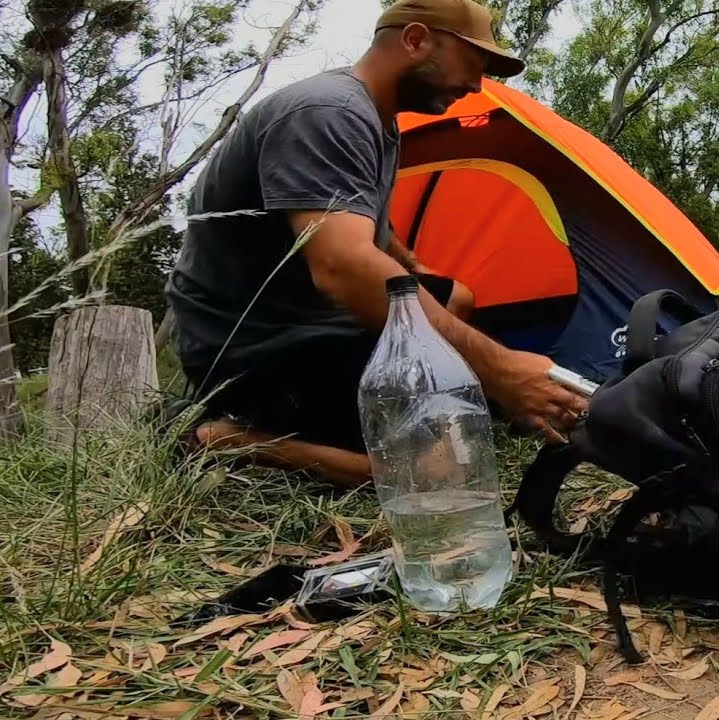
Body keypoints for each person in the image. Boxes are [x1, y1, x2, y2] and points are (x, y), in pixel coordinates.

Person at [163, 0, 587, 487]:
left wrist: (413, 264)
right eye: (473, 64)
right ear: (415, 40)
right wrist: (500, 369)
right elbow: (342, 264)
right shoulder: (329, 112)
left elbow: (360, 223)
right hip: (260, 343)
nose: (476, 86)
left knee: (458, 297)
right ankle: (226, 437)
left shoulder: (376, 119)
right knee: (442, 470)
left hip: (310, 314)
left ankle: (415, 399)